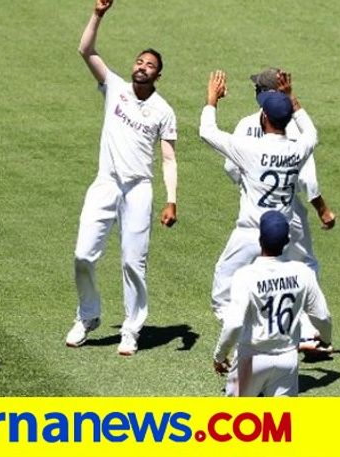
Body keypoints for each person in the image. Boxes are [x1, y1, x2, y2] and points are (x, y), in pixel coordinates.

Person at [65, 0, 178, 356]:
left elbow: (169, 156)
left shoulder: (164, 111)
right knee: (83, 255)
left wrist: (171, 199)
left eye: (150, 66)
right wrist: (97, 14)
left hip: (138, 190)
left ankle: (131, 328)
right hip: (106, 182)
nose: (142, 68)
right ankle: (88, 315)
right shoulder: (114, 86)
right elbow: (85, 50)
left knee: (133, 262)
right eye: (140, 62)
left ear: (158, 76)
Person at [227, 67, 336, 351]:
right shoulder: (294, 127)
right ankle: (310, 332)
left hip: (252, 210)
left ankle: (258, 326)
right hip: (291, 211)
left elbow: (231, 168)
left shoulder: (245, 125)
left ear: (263, 96)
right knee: (304, 265)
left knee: (252, 272)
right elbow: (307, 178)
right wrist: (322, 209)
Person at [199, 70, 316, 324]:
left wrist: (212, 100)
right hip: (282, 232)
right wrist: (291, 99)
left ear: (264, 118)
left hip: (251, 231)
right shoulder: (298, 149)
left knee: (223, 285)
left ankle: (237, 332)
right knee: (281, 284)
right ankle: (302, 330)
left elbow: (207, 132)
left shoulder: (250, 149)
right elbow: (311, 133)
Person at [212, 210, 332, 396]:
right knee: (279, 423)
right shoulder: (303, 272)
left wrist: (220, 356)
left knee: (235, 422)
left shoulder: (246, 276)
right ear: (287, 242)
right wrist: (325, 338)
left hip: (251, 358)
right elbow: (322, 316)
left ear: (260, 240)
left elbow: (234, 324)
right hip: (287, 359)